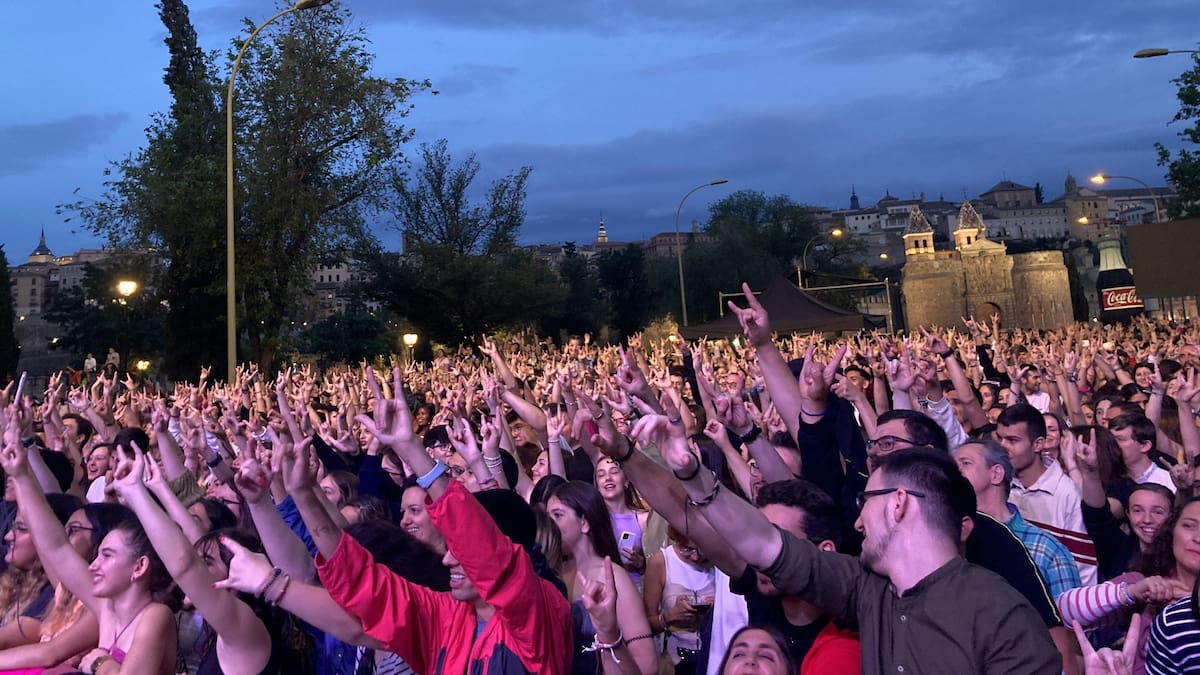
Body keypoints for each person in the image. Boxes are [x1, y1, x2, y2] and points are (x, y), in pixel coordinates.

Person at [663, 435, 1059, 673]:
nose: (857, 521)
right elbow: (765, 545)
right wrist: (692, 475)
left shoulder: (1003, 614)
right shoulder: (867, 590)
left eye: (865, 499)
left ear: (898, 503)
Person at [2, 427, 177, 674]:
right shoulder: (106, 608)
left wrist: (99, 661)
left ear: (139, 567)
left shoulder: (155, 616)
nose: (94, 564)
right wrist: (20, 474)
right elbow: (55, 545)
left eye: (107, 556)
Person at [998, 403, 1098, 585]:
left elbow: (1082, 569)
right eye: (1000, 439)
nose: (1003, 447)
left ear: (1038, 444)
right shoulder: (998, 485)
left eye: (1012, 440)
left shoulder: (1067, 494)